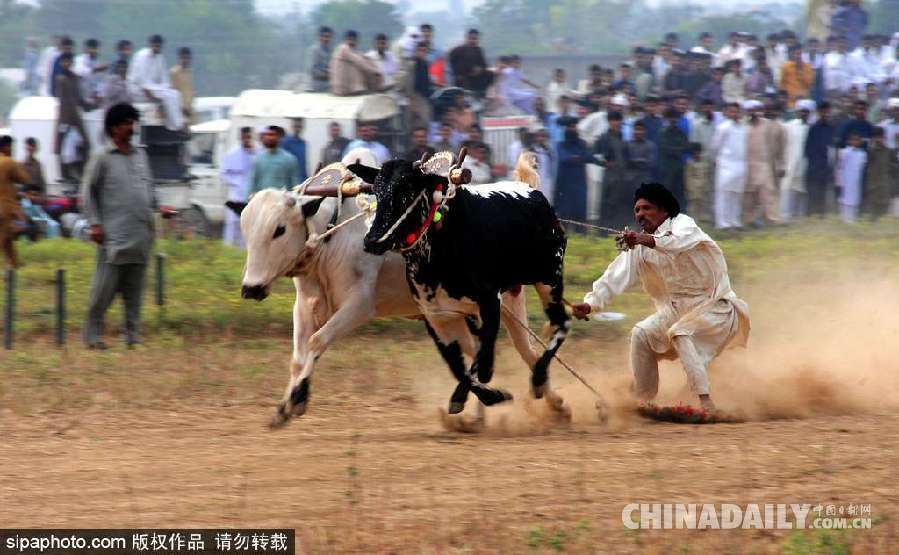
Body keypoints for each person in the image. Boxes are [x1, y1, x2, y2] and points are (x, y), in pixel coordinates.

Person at [572, 183, 750, 412]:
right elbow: (615, 276)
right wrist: (590, 304)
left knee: (679, 332)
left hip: (716, 307)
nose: (640, 215)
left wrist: (644, 240)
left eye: (647, 208)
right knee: (641, 334)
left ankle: (704, 402)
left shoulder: (683, 224)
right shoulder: (639, 245)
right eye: (637, 210)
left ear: (664, 210)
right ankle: (643, 399)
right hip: (678, 311)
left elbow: (674, 242)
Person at [81, 104, 155, 348]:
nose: (130, 127)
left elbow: (148, 189)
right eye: (126, 123)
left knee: (135, 293)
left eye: (132, 122)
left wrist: (158, 208)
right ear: (114, 128)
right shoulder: (102, 157)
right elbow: (87, 192)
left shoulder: (140, 155)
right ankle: (92, 338)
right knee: (103, 292)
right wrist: (95, 224)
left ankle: (132, 337)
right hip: (114, 237)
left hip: (140, 235)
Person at [127, 35, 184, 131]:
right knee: (167, 96)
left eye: (159, 46)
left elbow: (164, 79)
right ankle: (176, 126)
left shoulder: (160, 57)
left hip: (154, 87)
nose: (157, 48)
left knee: (175, 94)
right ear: (150, 45)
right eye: (155, 46)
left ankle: (176, 125)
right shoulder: (142, 56)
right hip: (137, 89)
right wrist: (152, 95)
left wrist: (167, 88)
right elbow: (141, 80)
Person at [743, 100, 784, 226]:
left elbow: (777, 145)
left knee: (768, 191)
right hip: (747, 164)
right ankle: (748, 219)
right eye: (750, 110)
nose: (753, 113)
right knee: (749, 194)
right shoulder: (743, 126)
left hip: (764, 164)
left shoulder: (767, 125)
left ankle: (773, 218)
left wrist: (779, 164)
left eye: (755, 110)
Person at [54, 52, 92, 183]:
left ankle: (81, 172)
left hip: (75, 116)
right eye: (64, 61)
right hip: (65, 116)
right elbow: (63, 100)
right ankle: (64, 175)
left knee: (85, 143)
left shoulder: (75, 78)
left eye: (69, 61)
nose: (67, 63)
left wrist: (90, 105)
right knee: (61, 146)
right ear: (61, 63)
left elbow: (78, 98)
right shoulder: (60, 79)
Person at [712, 102, 747, 230]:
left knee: (736, 194)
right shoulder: (723, 127)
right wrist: (719, 160)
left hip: (740, 165)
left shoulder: (744, 128)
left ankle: (735, 221)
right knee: (724, 194)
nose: (735, 114)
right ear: (727, 112)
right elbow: (716, 146)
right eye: (732, 111)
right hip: (726, 164)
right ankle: (722, 223)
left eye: (737, 112)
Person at [0, 136, 32, 268]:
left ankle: (15, 265)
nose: (12, 149)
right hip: (4, 206)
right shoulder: (8, 162)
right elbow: (24, 179)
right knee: (3, 236)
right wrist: (19, 165)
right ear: (6, 147)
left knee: (7, 239)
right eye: (11, 146)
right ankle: (14, 265)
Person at [596, 111, 631, 228]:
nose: (616, 123)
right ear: (609, 122)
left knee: (619, 203)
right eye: (614, 120)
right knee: (607, 203)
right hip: (610, 175)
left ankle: (616, 229)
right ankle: (604, 230)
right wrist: (604, 162)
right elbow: (594, 154)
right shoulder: (603, 137)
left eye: (618, 120)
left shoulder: (622, 138)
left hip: (622, 176)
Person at [781, 100, 814, 220]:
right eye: (802, 111)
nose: (804, 114)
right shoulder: (789, 126)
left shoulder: (812, 127)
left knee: (803, 192)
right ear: (797, 112)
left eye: (807, 111)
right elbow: (783, 145)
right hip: (790, 163)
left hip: (806, 164)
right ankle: (785, 217)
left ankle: (801, 217)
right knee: (788, 191)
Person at [222, 126, 256, 248]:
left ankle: (243, 249)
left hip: (250, 194)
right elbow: (224, 174)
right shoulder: (232, 153)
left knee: (247, 223)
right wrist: (235, 183)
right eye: (244, 137)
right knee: (232, 223)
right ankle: (229, 247)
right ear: (240, 138)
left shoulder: (255, 153)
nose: (246, 140)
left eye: (248, 137)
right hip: (235, 194)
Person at [555, 122, 592, 222]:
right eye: (569, 127)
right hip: (565, 184)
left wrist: (574, 158)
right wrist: (578, 157)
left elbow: (588, 157)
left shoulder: (582, 143)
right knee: (565, 216)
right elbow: (564, 158)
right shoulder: (560, 145)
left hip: (580, 184)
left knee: (580, 215)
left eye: (573, 126)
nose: (572, 129)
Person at [804, 101, 836, 215]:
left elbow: (833, 148)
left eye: (827, 111)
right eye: (823, 111)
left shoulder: (832, 128)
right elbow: (807, 150)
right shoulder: (813, 129)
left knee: (823, 196)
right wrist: (814, 164)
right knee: (812, 196)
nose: (826, 114)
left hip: (826, 169)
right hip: (813, 169)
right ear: (819, 112)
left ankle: (820, 219)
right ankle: (810, 218)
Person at [330, 30, 384, 96]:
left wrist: (374, 67)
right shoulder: (343, 48)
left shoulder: (351, 51)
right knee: (360, 67)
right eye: (351, 39)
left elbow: (362, 58)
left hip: (343, 88)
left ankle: (376, 87)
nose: (352, 42)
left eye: (354, 40)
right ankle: (365, 88)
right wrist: (376, 72)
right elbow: (360, 62)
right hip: (342, 89)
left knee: (367, 61)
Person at [249, 126, 299, 194]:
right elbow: (252, 181)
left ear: (279, 137)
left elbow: (295, 184)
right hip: (261, 200)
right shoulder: (258, 159)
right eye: (267, 135)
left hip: (281, 201)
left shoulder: (289, 159)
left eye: (272, 135)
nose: (269, 138)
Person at [658, 107, 690, 211]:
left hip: (678, 168)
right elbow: (664, 148)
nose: (673, 120)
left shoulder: (681, 133)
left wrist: (675, 150)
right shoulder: (663, 133)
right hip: (666, 168)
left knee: (679, 193)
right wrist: (677, 150)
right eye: (671, 118)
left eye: (675, 118)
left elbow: (685, 147)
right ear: (667, 119)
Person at [862, 126, 896, 219]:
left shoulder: (890, 151)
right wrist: (872, 149)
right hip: (873, 189)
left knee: (884, 217)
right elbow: (865, 167)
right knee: (872, 217)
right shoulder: (870, 152)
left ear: (884, 137)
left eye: (880, 137)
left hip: (885, 189)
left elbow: (895, 170)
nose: (878, 139)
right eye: (876, 137)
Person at [448, 29, 492, 97]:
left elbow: (484, 65)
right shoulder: (457, 50)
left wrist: (480, 70)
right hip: (462, 81)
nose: (473, 41)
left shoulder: (479, 51)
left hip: (476, 81)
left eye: (475, 39)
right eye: (471, 38)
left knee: (490, 74)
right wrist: (458, 74)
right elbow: (450, 62)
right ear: (466, 38)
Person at [835, 131, 866, 222]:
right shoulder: (844, 152)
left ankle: (853, 219)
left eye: (857, 140)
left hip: (856, 179)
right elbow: (840, 167)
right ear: (849, 141)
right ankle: (844, 218)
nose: (855, 142)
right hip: (845, 178)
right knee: (844, 198)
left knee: (855, 198)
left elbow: (861, 167)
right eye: (853, 140)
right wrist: (839, 180)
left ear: (860, 142)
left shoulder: (862, 154)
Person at [405, 41, 433, 128]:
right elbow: (409, 84)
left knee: (425, 124)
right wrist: (412, 101)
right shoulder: (412, 64)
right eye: (420, 50)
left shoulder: (425, 64)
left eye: (424, 51)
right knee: (413, 125)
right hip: (415, 98)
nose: (422, 52)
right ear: (416, 51)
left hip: (424, 97)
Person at [73, 38, 107, 105]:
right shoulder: (79, 59)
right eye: (91, 48)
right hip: (79, 97)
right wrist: (94, 70)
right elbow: (79, 72)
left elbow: (100, 82)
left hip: (93, 99)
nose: (93, 51)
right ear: (86, 49)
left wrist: (99, 94)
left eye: (95, 48)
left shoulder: (99, 63)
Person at [685, 142, 712, 223]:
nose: (697, 155)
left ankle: (703, 216)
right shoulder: (690, 163)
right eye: (695, 153)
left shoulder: (705, 162)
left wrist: (707, 184)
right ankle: (693, 217)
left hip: (704, 185)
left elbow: (708, 174)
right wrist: (690, 187)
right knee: (694, 202)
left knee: (703, 201)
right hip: (694, 186)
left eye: (699, 153)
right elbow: (688, 177)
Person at [169, 47, 195, 125]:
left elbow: (189, 90)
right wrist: (182, 108)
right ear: (178, 58)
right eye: (183, 58)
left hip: (189, 109)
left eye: (188, 58)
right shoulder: (174, 72)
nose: (185, 60)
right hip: (179, 110)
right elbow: (173, 92)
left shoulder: (189, 72)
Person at [280, 118, 309, 183]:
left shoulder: (303, 143)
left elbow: (304, 164)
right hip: (289, 181)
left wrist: (307, 180)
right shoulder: (285, 142)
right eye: (296, 126)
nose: (298, 129)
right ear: (292, 126)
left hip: (301, 180)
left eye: (300, 126)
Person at [308, 26, 333, 93]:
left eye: (328, 37)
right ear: (319, 36)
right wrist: (328, 74)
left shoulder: (331, 50)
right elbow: (313, 70)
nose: (326, 39)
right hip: (317, 85)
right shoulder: (314, 50)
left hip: (329, 86)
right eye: (324, 36)